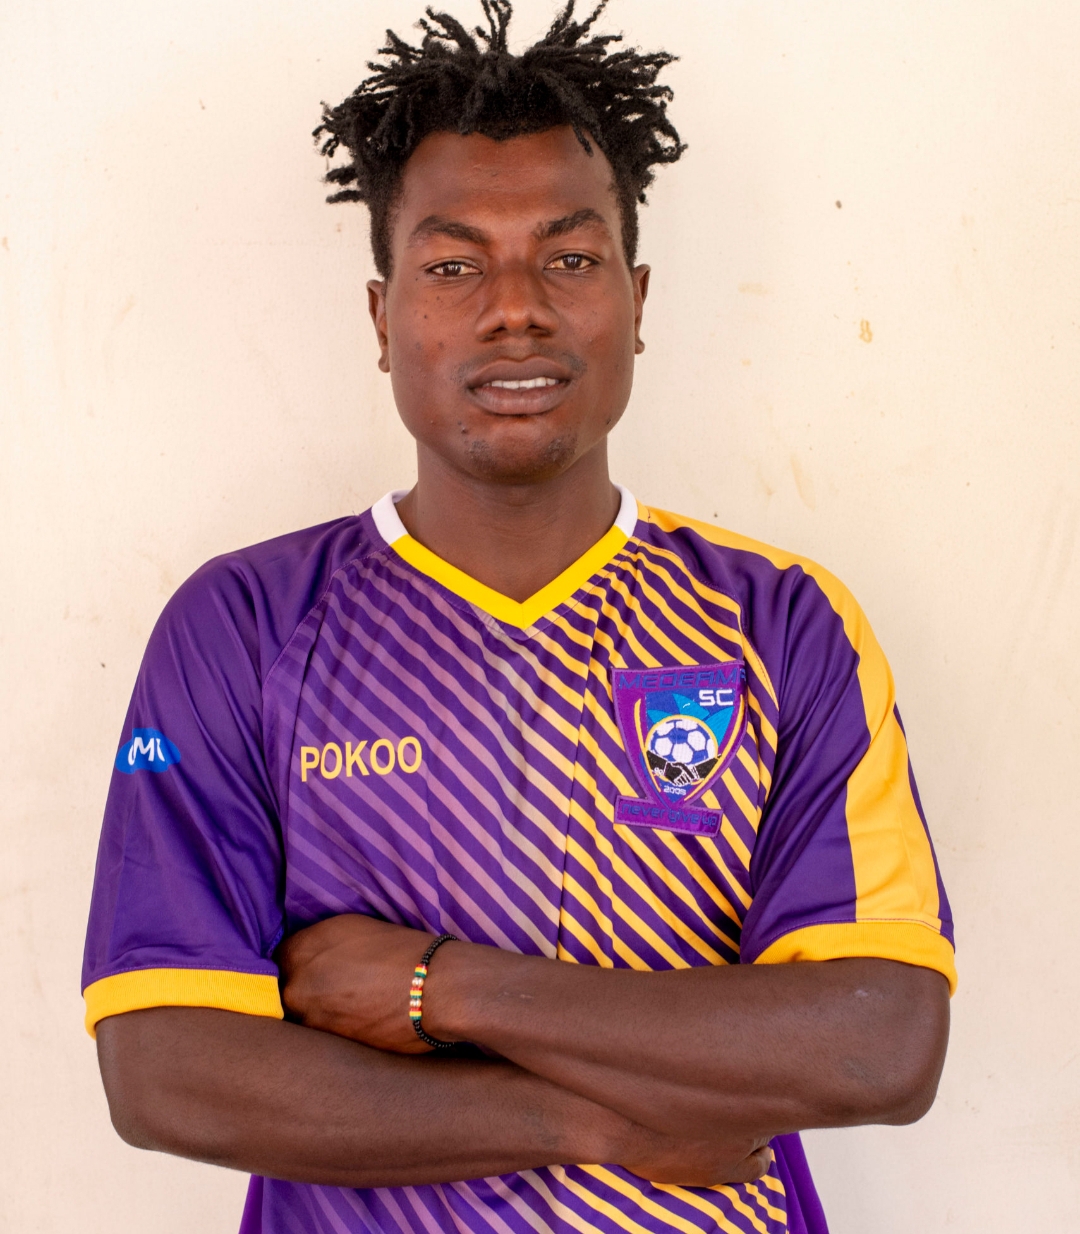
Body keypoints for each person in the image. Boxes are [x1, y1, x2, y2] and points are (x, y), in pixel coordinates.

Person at [82, 3, 955, 1232]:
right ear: (382, 318)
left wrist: (447, 987)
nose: (516, 309)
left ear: (636, 301)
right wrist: (587, 1124)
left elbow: (880, 1042)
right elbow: (166, 1066)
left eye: (569, 259)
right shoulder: (243, 626)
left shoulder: (783, 623)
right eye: (453, 267)